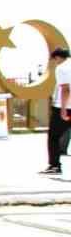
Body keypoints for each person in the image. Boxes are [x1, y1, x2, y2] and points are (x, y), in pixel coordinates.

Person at [48, 46, 71, 175]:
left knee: (53, 137)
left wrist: (63, 109)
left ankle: (55, 165)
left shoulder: (62, 68)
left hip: (65, 108)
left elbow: (66, 89)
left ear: (57, 57)